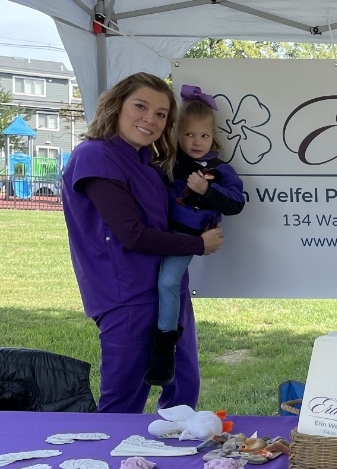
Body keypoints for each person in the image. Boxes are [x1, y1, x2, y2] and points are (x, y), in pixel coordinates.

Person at [62, 72, 225, 413]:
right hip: (126, 295)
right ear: (117, 105)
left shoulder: (149, 164)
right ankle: (113, 466)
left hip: (167, 288)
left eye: (161, 114)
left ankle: (170, 463)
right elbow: (132, 234)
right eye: (141, 106)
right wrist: (199, 245)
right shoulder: (95, 156)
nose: (150, 119)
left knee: (183, 394)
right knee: (124, 399)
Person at [147, 85, 244, 387]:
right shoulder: (168, 163)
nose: (197, 142)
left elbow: (237, 204)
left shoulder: (220, 170)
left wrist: (207, 191)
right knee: (154, 285)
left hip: (186, 236)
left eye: (203, 135)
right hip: (154, 235)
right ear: (177, 134)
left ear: (213, 136)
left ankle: (164, 348)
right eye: (189, 135)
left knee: (167, 282)